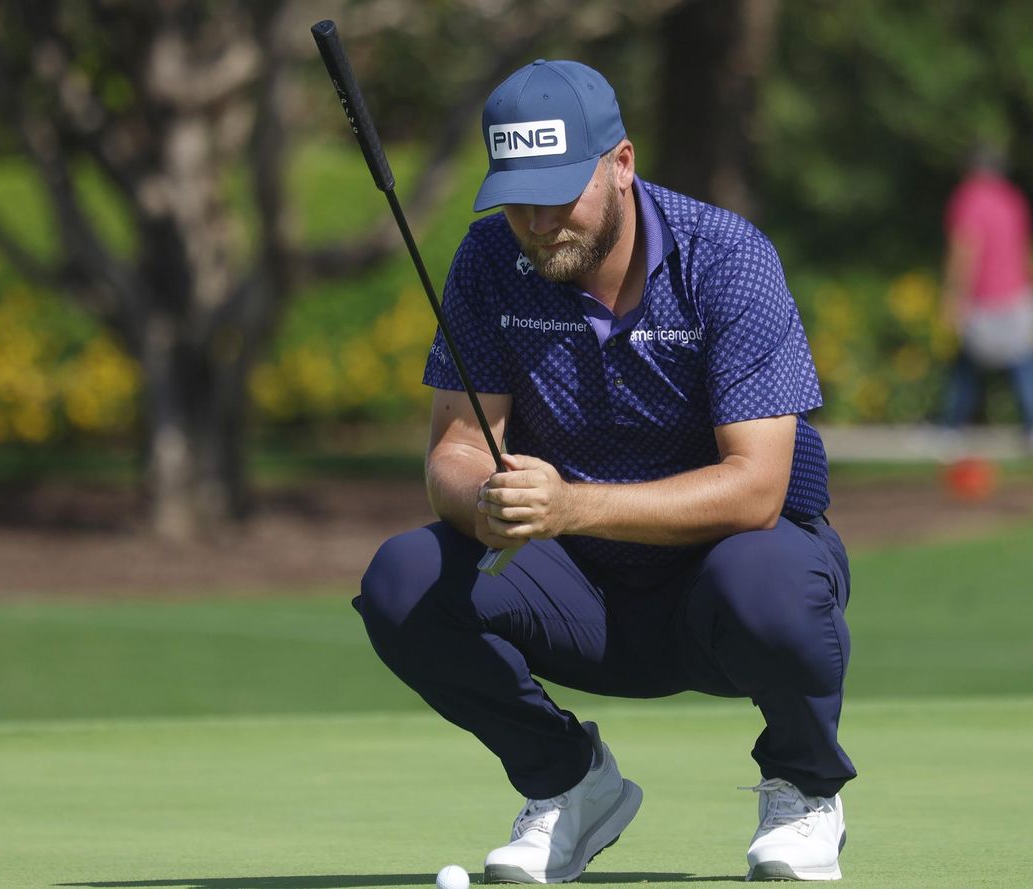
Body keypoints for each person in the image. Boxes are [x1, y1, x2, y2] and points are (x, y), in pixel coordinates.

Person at [356, 60, 854, 883]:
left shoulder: (726, 256)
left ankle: (805, 789)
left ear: (620, 164)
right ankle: (570, 784)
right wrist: (482, 500)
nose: (539, 221)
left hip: (721, 589)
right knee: (403, 577)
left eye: (560, 193)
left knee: (770, 575)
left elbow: (758, 486)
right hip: (575, 596)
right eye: (517, 198)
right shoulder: (489, 261)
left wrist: (568, 506)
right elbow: (452, 449)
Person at [938, 145, 1033, 457]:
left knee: (972, 365)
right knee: (1022, 363)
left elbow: (965, 250)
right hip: (1019, 294)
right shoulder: (1013, 198)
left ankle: (951, 428)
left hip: (986, 298)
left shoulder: (969, 199)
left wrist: (953, 296)